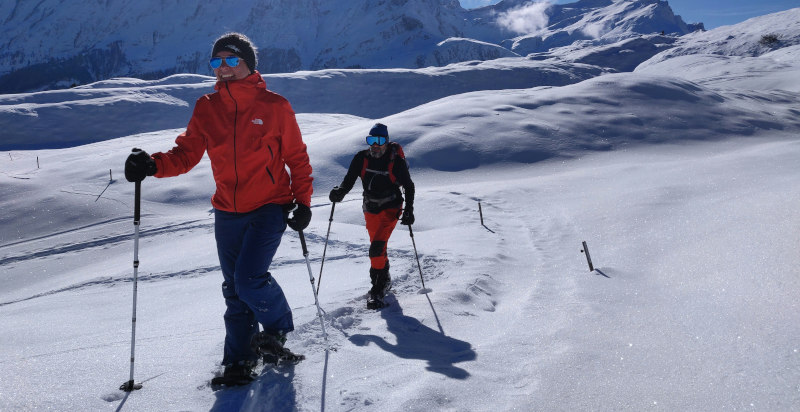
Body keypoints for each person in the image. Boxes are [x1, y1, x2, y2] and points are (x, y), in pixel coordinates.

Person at [124, 32, 312, 385]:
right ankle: (239, 360)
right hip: (227, 210)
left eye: (231, 60)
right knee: (234, 289)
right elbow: (186, 154)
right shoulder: (207, 107)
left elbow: (296, 158)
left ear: (248, 64)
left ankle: (276, 329)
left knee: (249, 279)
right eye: (216, 61)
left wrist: (303, 202)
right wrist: (152, 165)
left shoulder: (274, 106)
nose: (223, 67)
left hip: (269, 205)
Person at [328, 123, 415, 309]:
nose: (375, 145)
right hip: (370, 208)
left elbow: (409, 186)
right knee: (378, 246)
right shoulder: (361, 158)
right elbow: (349, 179)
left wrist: (409, 209)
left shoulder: (396, 162)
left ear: (387, 142)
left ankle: (378, 289)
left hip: (391, 208)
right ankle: (385, 278)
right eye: (371, 140)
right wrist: (340, 192)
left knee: (376, 248)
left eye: (380, 140)